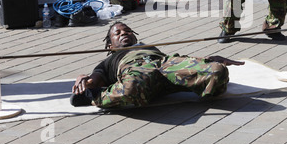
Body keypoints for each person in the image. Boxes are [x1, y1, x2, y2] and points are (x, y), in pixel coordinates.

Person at [70, 22, 244, 108]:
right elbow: (94, 80)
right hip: (138, 72)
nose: (124, 33)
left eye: (128, 31)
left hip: (164, 64)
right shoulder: (108, 61)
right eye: (118, 33)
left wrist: (207, 59)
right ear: (110, 46)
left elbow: (178, 63)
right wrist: (84, 81)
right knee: (131, 90)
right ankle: (96, 98)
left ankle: (199, 89)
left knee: (217, 71)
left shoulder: (148, 47)